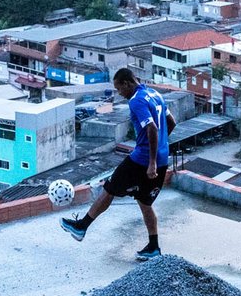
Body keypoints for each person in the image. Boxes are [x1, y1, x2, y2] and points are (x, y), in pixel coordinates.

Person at [61, 68, 170, 260]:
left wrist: (151, 161)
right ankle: (153, 247)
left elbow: (151, 127)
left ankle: (81, 227)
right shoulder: (155, 94)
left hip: (142, 160)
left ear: (127, 83)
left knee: (110, 188)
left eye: (119, 89)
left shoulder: (136, 100)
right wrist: (160, 147)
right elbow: (171, 122)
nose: (120, 93)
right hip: (162, 158)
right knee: (145, 202)